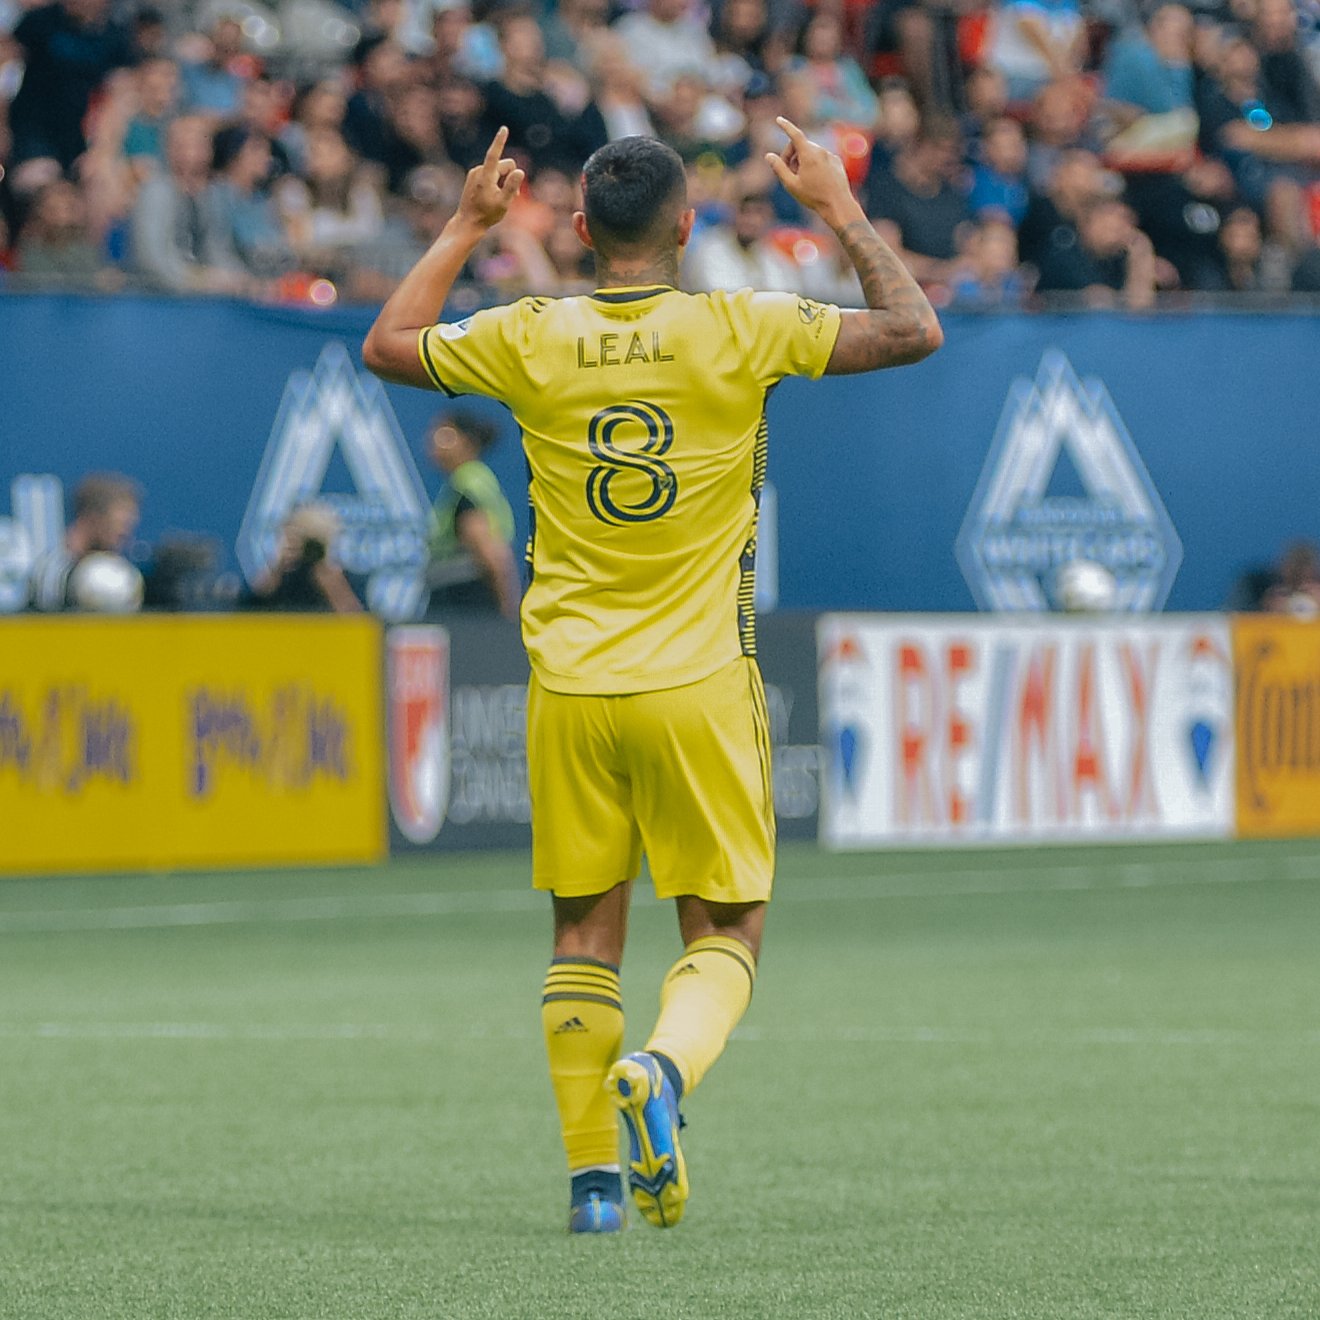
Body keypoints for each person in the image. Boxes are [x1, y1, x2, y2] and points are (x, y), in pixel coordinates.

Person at [363, 122, 940, 1234]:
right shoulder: (743, 324)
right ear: (689, 226)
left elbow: (391, 342)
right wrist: (834, 205)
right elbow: (915, 326)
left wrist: (470, 222)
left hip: (570, 684)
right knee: (725, 932)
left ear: (578, 231)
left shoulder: (531, 333)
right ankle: (663, 1072)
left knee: (583, 934)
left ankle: (592, 1187)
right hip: (698, 685)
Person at [424, 409, 521, 619]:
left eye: (445, 435)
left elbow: (483, 543)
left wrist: (506, 605)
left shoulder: (469, 484)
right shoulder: (470, 481)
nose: (434, 443)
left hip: (464, 603)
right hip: (461, 600)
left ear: (467, 442)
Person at [29, 471, 141, 611]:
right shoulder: (51, 574)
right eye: (120, 524)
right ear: (92, 517)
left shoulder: (120, 575)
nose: (125, 533)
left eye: (130, 524)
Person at [240, 504, 362, 613]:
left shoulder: (343, 579)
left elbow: (358, 624)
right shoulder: (284, 578)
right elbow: (250, 610)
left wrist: (332, 581)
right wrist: (278, 567)